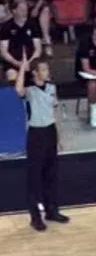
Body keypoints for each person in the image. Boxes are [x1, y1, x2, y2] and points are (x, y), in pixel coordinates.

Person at [16, 57, 67, 232]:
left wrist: (59, 138)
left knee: (51, 174)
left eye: (47, 69)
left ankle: (52, 210)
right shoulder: (30, 91)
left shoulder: (52, 88)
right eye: (43, 69)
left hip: (50, 131)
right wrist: (23, 66)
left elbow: (55, 112)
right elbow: (18, 90)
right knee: (35, 177)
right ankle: (35, 217)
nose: (47, 72)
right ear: (35, 73)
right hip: (36, 134)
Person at [1, 0, 42, 84]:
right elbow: (4, 52)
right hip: (13, 63)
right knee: (12, 76)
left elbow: (38, 49)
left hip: (31, 62)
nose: (24, 12)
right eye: (21, 9)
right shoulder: (6, 27)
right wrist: (17, 63)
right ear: (14, 11)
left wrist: (29, 62)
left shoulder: (33, 24)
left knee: (40, 75)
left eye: (26, 9)